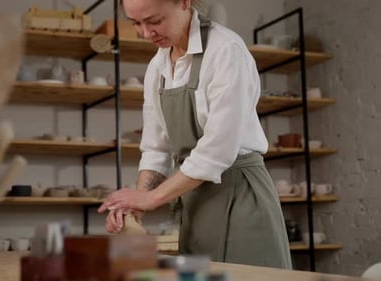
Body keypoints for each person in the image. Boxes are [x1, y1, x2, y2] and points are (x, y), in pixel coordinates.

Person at [97, 0, 292, 269]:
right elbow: (156, 149)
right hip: (196, 204)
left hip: (240, 197)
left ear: (185, 2)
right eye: (136, 23)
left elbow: (217, 151)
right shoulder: (158, 68)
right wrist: (136, 204)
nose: (145, 33)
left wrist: (151, 199)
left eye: (154, 21)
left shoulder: (225, 52)